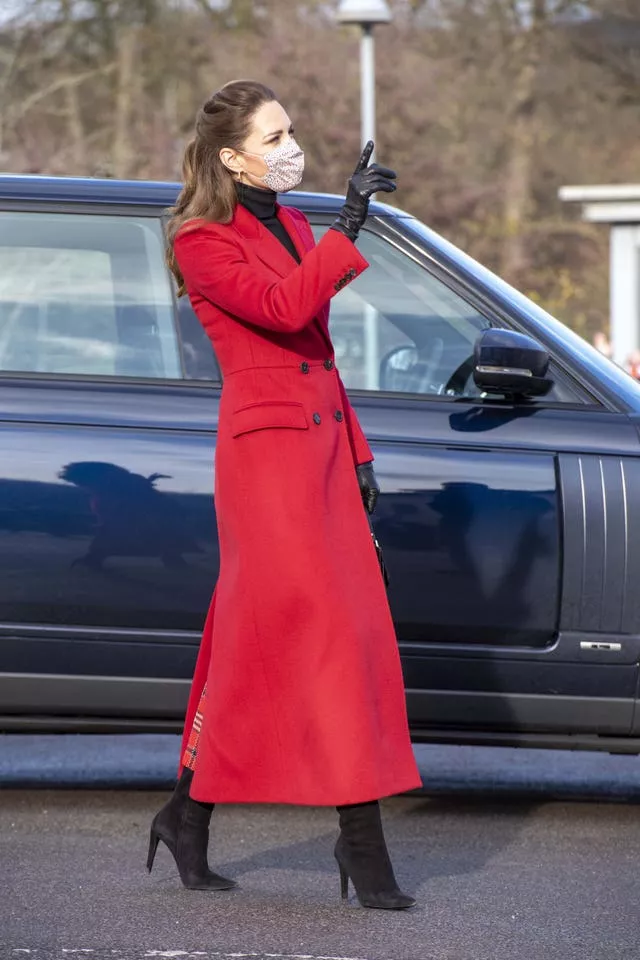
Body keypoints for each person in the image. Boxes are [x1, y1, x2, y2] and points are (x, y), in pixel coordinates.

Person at [147, 79, 422, 911]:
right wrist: (350, 228)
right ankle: (362, 846)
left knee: (275, 642)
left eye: (290, 131)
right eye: (274, 138)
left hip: (327, 453)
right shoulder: (202, 240)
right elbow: (279, 307)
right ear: (233, 157)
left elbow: (318, 350)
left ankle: (186, 815)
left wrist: (361, 452)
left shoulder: (294, 222)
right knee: (326, 639)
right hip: (267, 466)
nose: (290, 148)